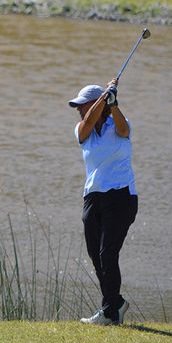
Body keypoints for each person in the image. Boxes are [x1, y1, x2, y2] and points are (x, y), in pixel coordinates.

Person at [68, 79, 138, 326]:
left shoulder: (119, 123)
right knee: (95, 255)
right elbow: (87, 124)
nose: (79, 109)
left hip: (121, 197)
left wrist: (114, 104)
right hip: (93, 197)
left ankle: (109, 312)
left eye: (81, 105)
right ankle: (115, 304)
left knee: (108, 253)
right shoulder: (81, 130)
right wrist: (103, 98)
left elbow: (124, 131)